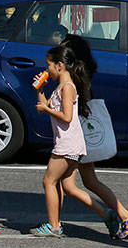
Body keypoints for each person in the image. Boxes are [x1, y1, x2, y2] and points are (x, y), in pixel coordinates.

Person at [57, 34, 128, 240]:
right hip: (81, 137)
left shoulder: (73, 81)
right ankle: (121, 214)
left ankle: (115, 214)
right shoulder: (83, 77)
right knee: (89, 181)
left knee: (65, 183)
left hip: (76, 138)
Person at [30, 43, 89, 237]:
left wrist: (47, 110)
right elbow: (45, 105)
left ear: (59, 66)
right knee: (63, 185)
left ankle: (54, 225)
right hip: (68, 143)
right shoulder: (60, 86)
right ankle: (107, 214)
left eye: (49, 66)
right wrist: (41, 89)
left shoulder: (67, 88)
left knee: (48, 181)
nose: (47, 69)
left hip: (67, 143)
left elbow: (66, 116)